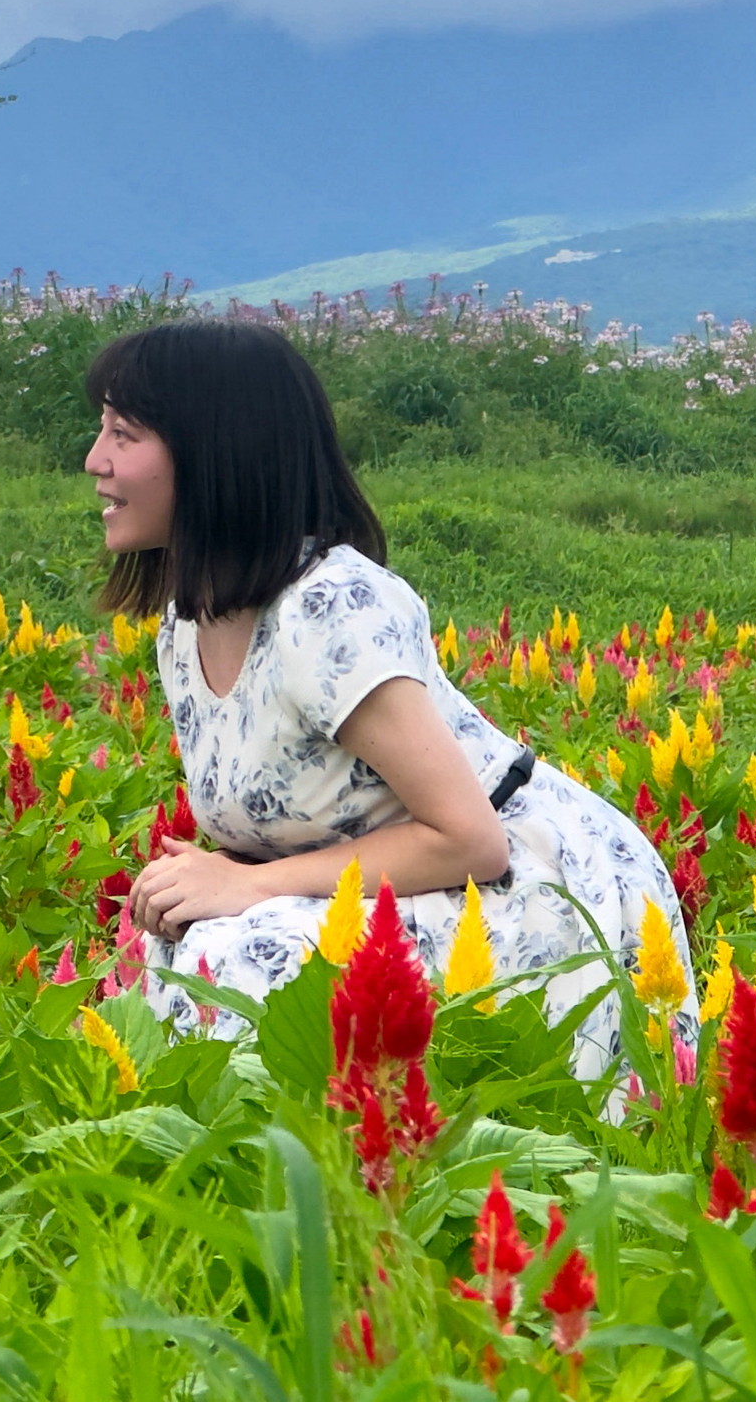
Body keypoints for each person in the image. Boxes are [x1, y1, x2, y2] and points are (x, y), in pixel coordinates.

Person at [84, 319, 692, 1073]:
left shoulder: (330, 607)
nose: (95, 460)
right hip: (383, 889)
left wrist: (247, 885)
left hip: (516, 891)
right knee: (188, 946)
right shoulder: (186, 622)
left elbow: (469, 838)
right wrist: (211, 879)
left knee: (241, 957)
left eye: (123, 433)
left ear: (212, 452)